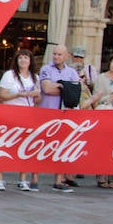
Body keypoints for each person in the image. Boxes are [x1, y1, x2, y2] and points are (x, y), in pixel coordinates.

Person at [0, 49, 41, 192]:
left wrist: (36, 94)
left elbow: (38, 100)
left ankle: (23, 179)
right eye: (20, 57)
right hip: (10, 113)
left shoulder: (35, 77)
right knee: (5, 146)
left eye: (26, 57)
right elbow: (1, 96)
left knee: (24, 147)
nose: (23, 60)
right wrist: (18, 94)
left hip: (27, 114)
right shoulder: (9, 75)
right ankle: (0, 179)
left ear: (30, 61)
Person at [38, 44, 79, 193]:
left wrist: (61, 87)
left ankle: (59, 180)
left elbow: (75, 93)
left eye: (59, 54)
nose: (56, 57)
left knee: (62, 147)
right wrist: (65, 87)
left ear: (66, 56)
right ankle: (34, 180)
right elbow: (47, 89)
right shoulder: (46, 69)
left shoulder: (72, 72)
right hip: (46, 113)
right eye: (54, 54)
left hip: (65, 114)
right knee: (39, 146)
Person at [92, 53, 113, 189]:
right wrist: (111, 97)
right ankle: (101, 176)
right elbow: (96, 98)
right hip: (105, 114)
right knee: (104, 146)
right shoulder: (101, 78)